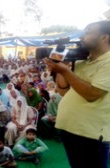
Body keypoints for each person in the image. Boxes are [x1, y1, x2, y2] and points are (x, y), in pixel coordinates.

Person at [43, 20, 110, 168]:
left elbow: (92, 94)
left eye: (87, 32)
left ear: (104, 37)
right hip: (70, 129)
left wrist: (65, 71)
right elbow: (64, 91)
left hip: (90, 134)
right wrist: (59, 68)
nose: (81, 37)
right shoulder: (81, 62)